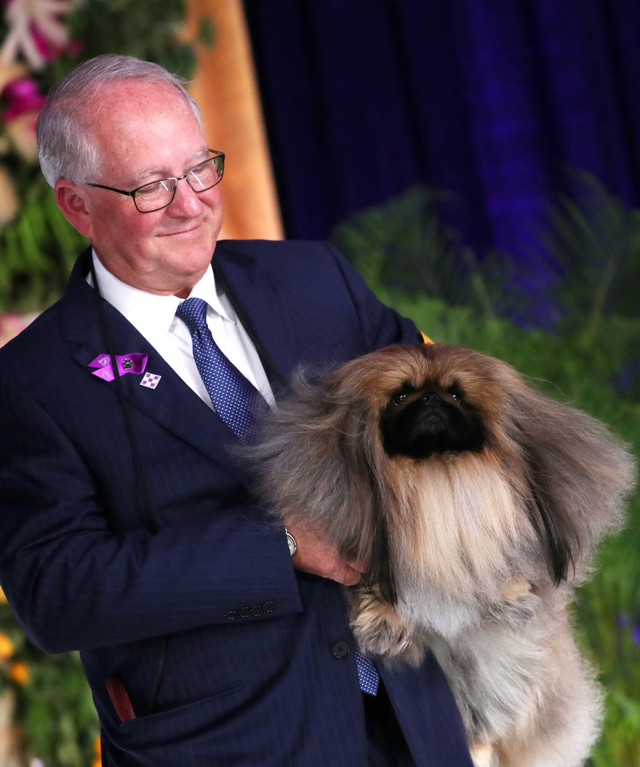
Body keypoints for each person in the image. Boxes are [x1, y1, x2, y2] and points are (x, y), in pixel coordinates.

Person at [0, 55, 472, 767]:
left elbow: (440, 412)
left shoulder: (316, 278)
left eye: (198, 169)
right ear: (76, 204)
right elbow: (58, 590)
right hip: (227, 746)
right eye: (152, 186)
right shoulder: (32, 379)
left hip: (413, 722)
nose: (190, 203)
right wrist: (279, 545)